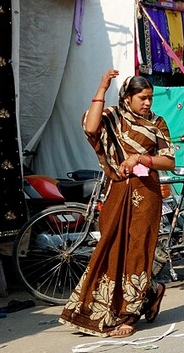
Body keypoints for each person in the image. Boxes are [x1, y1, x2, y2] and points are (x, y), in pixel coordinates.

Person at [59, 71, 174, 337]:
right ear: (127, 97)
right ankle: (150, 293)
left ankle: (128, 316)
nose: (147, 103)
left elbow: (168, 160)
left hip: (146, 195)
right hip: (116, 191)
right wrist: (101, 86)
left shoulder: (157, 122)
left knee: (136, 252)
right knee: (111, 250)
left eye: (150, 98)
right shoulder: (112, 117)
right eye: (142, 98)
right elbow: (90, 128)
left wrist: (140, 159)